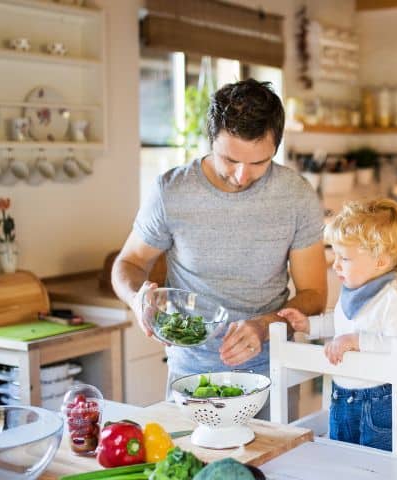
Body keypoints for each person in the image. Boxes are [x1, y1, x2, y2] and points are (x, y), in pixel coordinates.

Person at [111, 79, 327, 416]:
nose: (242, 176)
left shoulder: (296, 196)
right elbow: (129, 264)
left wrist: (265, 325)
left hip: (272, 373)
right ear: (211, 140)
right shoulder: (171, 191)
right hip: (190, 376)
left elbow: (314, 294)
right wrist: (138, 299)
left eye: (259, 163)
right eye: (229, 159)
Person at [277, 198, 397, 451]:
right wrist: (307, 325)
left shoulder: (393, 300)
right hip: (342, 396)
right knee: (341, 461)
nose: (336, 264)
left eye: (345, 258)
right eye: (335, 255)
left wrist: (356, 341)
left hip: (380, 401)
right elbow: (340, 323)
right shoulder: (352, 293)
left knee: (378, 468)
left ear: (380, 262)